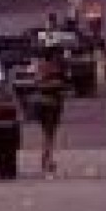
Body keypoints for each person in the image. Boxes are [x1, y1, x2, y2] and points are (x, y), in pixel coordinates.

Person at [31, 44, 67, 177]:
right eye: (59, 54)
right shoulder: (49, 67)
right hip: (49, 104)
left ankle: (47, 160)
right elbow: (40, 84)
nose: (61, 56)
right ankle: (47, 161)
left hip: (49, 103)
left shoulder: (42, 66)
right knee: (49, 134)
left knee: (49, 134)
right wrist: (57, 85)